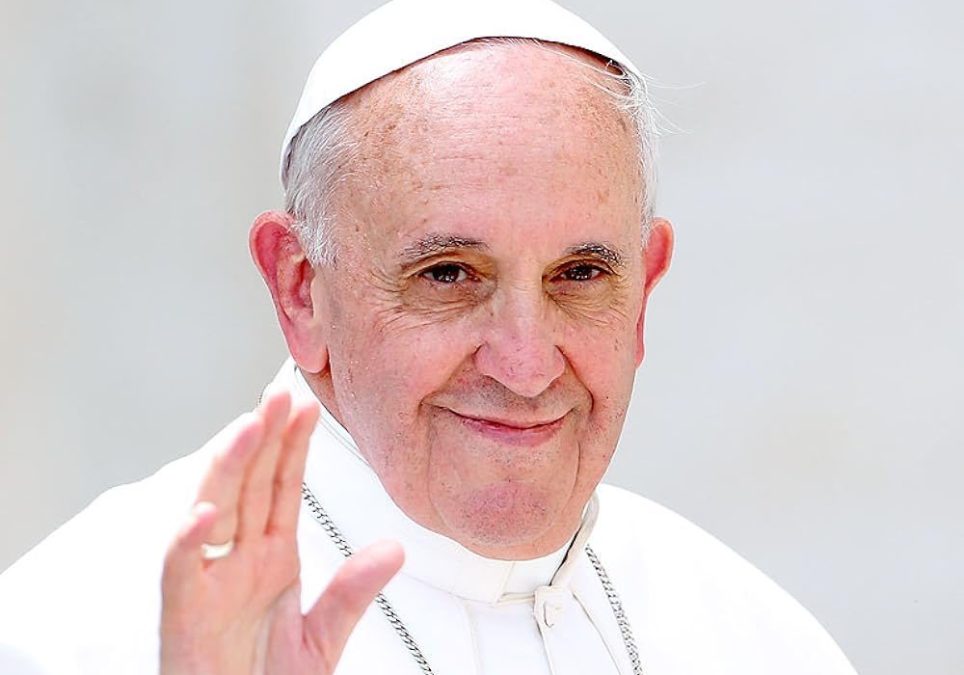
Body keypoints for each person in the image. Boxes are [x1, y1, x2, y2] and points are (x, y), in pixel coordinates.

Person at [0, 0, 859, 673]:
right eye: (449, 274)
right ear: (301, 289)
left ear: (643, 293)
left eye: (581, 276)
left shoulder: (756, 640)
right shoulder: (76, 634)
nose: (524, 365)